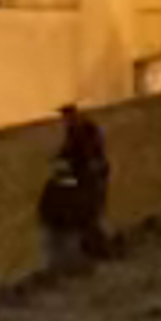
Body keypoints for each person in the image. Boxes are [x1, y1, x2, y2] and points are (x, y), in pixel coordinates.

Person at [37, 102, 112, 275]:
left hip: (90, 179)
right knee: (87, 215)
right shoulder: (77, 130)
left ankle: (97, 252)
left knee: (88, 215)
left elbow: (86, 156)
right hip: (87, 177)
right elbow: (68, 152)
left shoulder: (84, 131)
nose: (65, 120)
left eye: (67, 117)